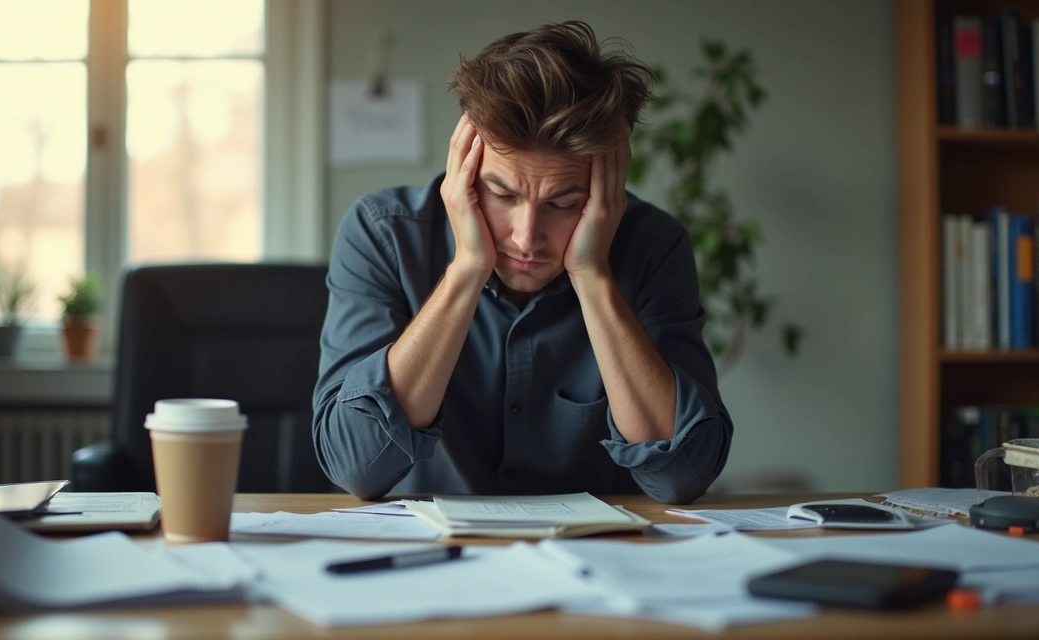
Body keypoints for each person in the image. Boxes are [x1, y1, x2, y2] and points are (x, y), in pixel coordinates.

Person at [311, 20, 731, 504]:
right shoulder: (382, 234)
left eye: (563, 202)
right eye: (500, 193)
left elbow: (680, 476)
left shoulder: (654, 247)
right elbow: (356, 466)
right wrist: (467, 268)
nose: (527, 236)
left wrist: (593, 277)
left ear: (605, 188)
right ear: (463, 168)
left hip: (597, 562)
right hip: (426, 562)